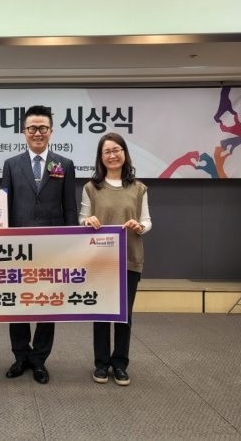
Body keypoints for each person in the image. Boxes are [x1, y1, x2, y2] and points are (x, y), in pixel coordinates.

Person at [2, 105, 77, 384]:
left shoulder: (64, 164)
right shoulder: (11, 164)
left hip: (52, 246)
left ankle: (39, 360)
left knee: (48, 302)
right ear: (24, 131)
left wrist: (72, 245)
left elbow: (69, 207)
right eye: (32, 128)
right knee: (18, 302)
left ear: (51, 131)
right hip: (18, 246)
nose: (37, 133)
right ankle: (20, 356)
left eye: (42, 128)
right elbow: (5, 207)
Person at [80, 132, 152, 386]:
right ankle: (101, 364)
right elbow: (82, 218)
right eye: (107, 152)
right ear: (101, 157)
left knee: (124, 316)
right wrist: (87, 221)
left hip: (129, 257)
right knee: (101, 314)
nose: (112, 155)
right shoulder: (91, 188)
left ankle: (120, 364)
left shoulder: (139, 188)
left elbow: (147, 220)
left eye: (116, 150)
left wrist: (140, 227)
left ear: (124, 153)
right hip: (100, 260)